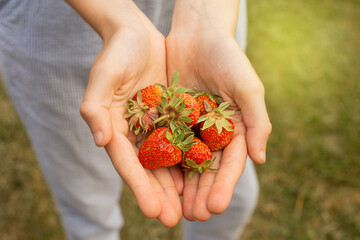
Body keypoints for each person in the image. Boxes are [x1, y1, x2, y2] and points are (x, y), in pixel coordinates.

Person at [0, 0, 272, 239]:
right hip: (59, 38)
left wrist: (206, 19)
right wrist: (119, 21)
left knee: (233, 201)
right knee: (86, 202)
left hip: (208, 25)